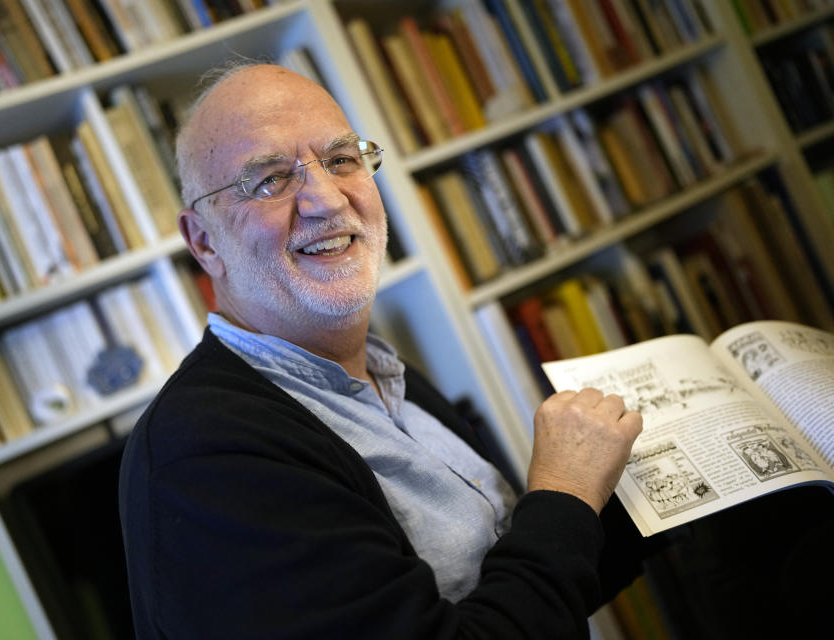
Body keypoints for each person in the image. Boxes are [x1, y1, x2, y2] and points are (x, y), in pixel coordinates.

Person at [118, 62, 645, 639]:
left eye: (342, 160)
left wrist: (657, 488)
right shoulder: (203, 456)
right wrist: (563, 494)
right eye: (270, 179)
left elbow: (526, 597)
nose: (326, 199)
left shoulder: (380, 370)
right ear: (203, 240)